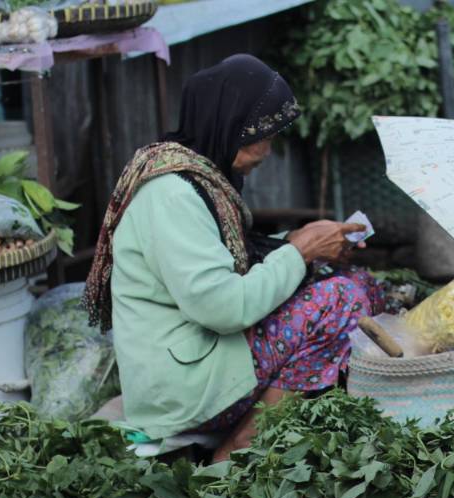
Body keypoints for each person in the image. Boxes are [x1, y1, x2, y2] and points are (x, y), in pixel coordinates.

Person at [84, 54, 385, 463]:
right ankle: (234, 453)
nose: (266, 149)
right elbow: (223, 307)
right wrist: (299, 252)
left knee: (359, 284)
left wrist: (299, 244)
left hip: (198, 355)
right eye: (259, 133)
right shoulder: (172, 194)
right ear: (227, 126)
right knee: (341, 301)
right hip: (182, 386)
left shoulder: (197, 177)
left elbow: (228, 259)